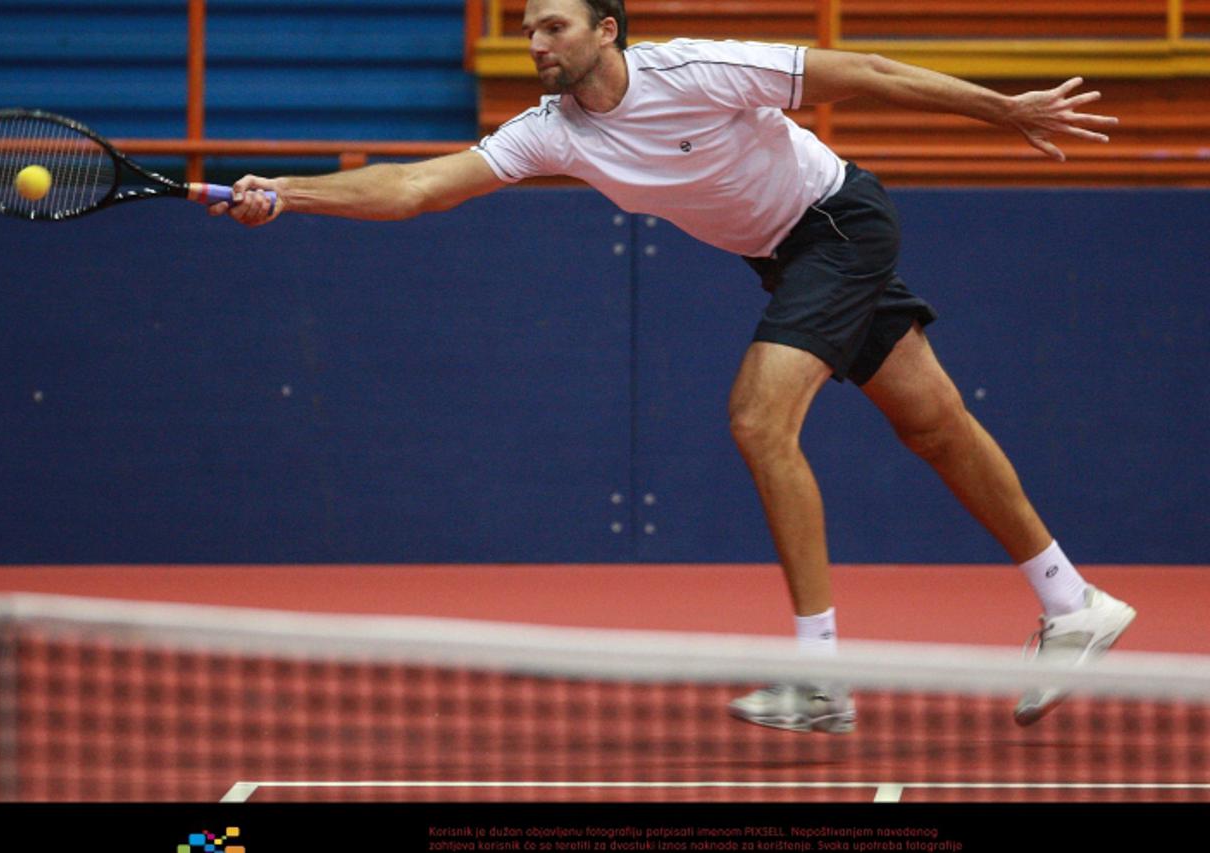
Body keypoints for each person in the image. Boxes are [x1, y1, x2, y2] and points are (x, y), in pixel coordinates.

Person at [212, 0, 1136, 733]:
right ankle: (1072, 601)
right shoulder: (552, 130)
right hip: (781, 254)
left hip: (838, 223)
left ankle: (821, 677)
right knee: (933, 424)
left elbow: (865, 71)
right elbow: (416, 186)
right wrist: (287, 192)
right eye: (529, 27)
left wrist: (999, 108)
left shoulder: (694, 69)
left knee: (756, 419)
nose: (535, 41)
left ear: (605, 32)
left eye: (553, 26)